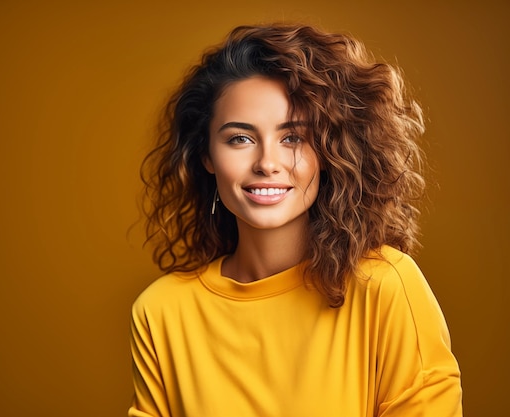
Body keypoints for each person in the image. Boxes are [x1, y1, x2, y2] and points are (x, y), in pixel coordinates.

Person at [129, 23, 463, 417]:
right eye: (240, 138)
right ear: (207, 156)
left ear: (329, 151)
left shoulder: (386, 286)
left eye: (293, 138)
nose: (267, 163)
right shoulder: (161, 312)